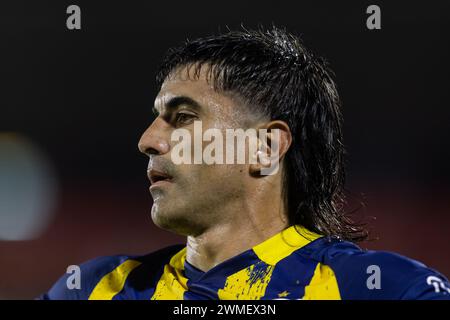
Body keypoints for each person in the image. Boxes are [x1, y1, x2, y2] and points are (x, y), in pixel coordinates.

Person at [40, 26, 450, 300]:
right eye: (156, 118)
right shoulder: (96, 289)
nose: (148, 140)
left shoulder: (384, 290)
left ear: (265, 148)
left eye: (183, 118)